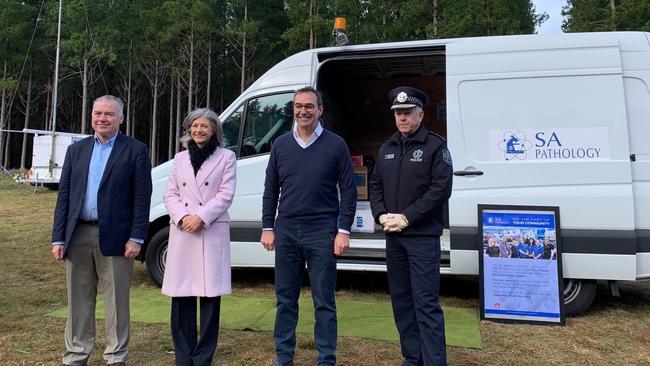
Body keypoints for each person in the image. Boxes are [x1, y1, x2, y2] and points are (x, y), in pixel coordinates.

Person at [51, 95, 152, 365]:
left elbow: (142, 197)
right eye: (97, 113)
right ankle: (76, 354)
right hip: (78, 236)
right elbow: (65, 197)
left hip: (118, 238)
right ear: (91, 116)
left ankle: (116, 355)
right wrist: (58, 237)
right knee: (78, 300)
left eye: (109, 113)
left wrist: (136, 236)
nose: (102, 118)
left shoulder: (135, 150)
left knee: (116, 300)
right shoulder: (77, 150)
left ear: (121, 118)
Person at [260, 86, 356, 366]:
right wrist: (268, 226)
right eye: (298, 106)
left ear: (320, 110)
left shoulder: (336, 144)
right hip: (287, 229)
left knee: (323, 301)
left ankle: (326, 358)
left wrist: (343, 230)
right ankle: (283, 356)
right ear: (293, 109)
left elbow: (348, 190)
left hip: (322, 230)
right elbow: (270, 189)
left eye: (309, 106)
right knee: (285, 299)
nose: (303, 111)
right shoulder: (280, 144)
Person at [369, 86, 453, 366]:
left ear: (420, 114)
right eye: (398, 113)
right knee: (402, 303)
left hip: (422, 238)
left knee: (425, 304)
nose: (402, 118)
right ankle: (413, 357)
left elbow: (440, 190)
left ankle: (433, 361)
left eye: (407, 113)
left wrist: (407, 216)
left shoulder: (435, 146)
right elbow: (376, 184)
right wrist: (381, 215)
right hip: (394, 239)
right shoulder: (388, 146)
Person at [162, 108, 236, 366]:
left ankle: (203, 357)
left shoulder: (226, 157)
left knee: (209, 298)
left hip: (210, 232)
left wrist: (201, 217)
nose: (198, 130)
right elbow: (170, 194)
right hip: (183, 232)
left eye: (204, 126)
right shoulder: (180, 159)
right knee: (181, 297)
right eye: (194, 126)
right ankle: (183, 356)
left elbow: (226, 194)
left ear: (214, 129)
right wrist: (183, 217)